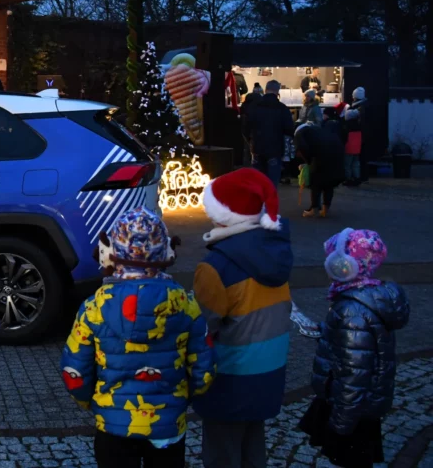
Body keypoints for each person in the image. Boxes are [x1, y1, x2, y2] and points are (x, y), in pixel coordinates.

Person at [61, 208, 214, 468]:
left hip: (113, 427)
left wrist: (97, 405)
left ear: (111, 252)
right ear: (166, 252)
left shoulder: (94, 308)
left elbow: (74, 370)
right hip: (167, 426)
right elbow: (204, 369)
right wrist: (181, 400)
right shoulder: (185, 305)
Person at [193, 168, 293, 468]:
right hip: (269, 371)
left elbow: (201, 328)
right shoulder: (274, 252)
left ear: (222, 215)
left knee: (222, 452)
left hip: (229, 377)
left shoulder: (216, 266)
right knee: (252, 445)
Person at [299, 229, 410, 468]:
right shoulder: (369, 297)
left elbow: (353, 376)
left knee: (352, 461)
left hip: (352, 410)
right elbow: (360, 349)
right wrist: (328, 331)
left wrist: (341, 424)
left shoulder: (351, 311)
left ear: (345, 266)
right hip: (365, 404)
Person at [242, 79, 296, 188]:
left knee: (257, 182)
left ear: (265, 90)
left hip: (257, 148)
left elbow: (245, 127)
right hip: (275, 149)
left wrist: (250, 141)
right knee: (271, 183)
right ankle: (269, 199)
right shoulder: (282, 108)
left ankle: (259, 199)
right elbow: (289, 129)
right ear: (278, 91)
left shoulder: (254, 107)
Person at [296, 123, 345, 218]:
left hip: (321, 157)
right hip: (337, 155)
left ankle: (314, 209)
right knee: (329, 183)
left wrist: (308, 162)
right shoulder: (319, 131)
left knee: (316, 184)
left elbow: (302, 148)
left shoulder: (300, 133)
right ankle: (325, 209)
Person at [343, 87, 368, 186]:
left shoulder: (355, 110)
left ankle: (349, 179)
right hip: (359, 137)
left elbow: (347, 116)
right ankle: (357, 178)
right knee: (356, 160)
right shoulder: (363, 107)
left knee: (348, 161)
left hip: (351, 137)